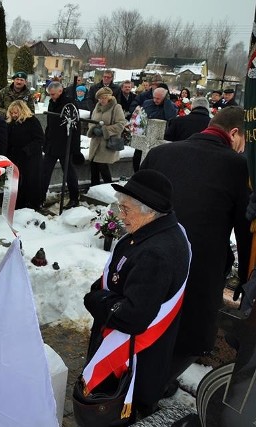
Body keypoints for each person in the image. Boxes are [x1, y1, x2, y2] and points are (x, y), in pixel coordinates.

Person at [140, 106, 251, 396]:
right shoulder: (237, 167)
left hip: (150, 255)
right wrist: (246, 277)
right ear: (235, 133)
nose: (243, 149)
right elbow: (244, 228)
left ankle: (136, 375)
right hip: (199, 266)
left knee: (147, 319)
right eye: (245, 143)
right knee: (190, 335)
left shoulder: (160, 153)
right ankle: (151, 389)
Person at [83, 170, 191, 421]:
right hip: (141, 354)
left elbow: (133, 316)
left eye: (126, 209)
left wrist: (96, 299)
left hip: (131, 361)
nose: (120, 216)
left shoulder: (156, 253)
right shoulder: (159, 231)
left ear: (150, 210)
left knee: (112, 415)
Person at [41, 81, 81, 209]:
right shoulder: (52, 102)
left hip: (65, 144)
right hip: (52, 144)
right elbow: (50, 124)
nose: (51, 97)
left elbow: (76, 127)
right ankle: (40, 197)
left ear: (60, 91)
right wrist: (46, 141)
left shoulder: (69, 103)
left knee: (69, 173)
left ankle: (74, 198)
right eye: (50, 94)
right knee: (44, 171)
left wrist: (75, 148)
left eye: (53, 94)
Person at [6, 100, 44, 210]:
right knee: (17, 183)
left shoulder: (32, 121)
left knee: (30, 182)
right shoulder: (11, 123)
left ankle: (32, 205)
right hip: (16, 157)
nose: (13, 115)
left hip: (30, 158)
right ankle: (18, 205)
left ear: (22, 111)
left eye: (16, 113)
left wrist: (27, 150)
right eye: (12, 113)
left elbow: (40, 139)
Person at [87, 87, 126, 186]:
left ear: (109, 97)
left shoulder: (116, 107)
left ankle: (108, 188)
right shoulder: (97, 106)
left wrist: (105, 130)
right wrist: (93, 129)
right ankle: (94, 189)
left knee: (103, 167)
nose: (101, 100)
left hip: (107, 143)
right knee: (93, 166)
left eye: (104, 98)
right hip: (95, 142)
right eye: (100, 98)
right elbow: (91, 121)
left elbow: (121, 124)